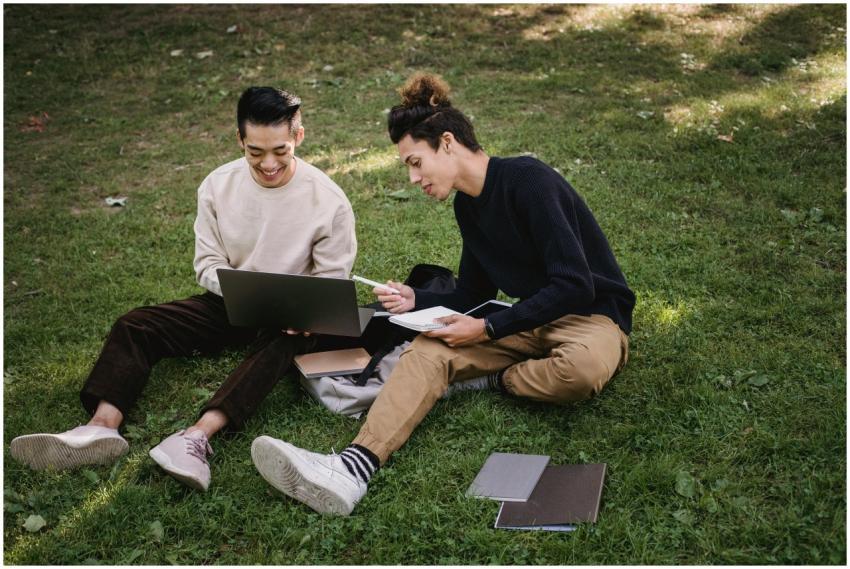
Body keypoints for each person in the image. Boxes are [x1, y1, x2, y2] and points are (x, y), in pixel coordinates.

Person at [250, 73, 636, 516]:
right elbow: (474, 292)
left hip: (591, 319)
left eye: (416, 162)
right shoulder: (468, 207)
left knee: (580, 372)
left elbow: (574, 283)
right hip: (527, 320)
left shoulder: (530, 180)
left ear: (447, 142)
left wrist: (488, 328)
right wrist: (417, 300)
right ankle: (352, 468)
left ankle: (492, 379)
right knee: (428, 351)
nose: (413, 178)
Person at [10, 87, 357, 492]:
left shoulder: (328, 201)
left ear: (299, 136)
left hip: (290, 320)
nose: (268, 164)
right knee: (137, 324)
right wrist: (244, 291)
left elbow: (331, 282)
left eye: (280, 151)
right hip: (230, 302)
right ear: (240, 140)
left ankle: (196, 438)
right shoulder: (217, 186)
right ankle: (101, 426)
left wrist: (301, 313)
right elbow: (207, 264)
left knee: (280, 346)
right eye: (255, 152)